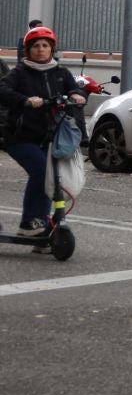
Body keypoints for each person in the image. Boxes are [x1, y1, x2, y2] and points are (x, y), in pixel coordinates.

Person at [2, 25, 87, 243]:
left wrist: (77, 95)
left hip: (50, 136)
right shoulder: (19, 73)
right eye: (36, 46)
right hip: (20, 137)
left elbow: (73, 88)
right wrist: (25, 100)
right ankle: (29, 221)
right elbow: (3, 90)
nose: (41, 50)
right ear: (28, 50)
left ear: (52, 49)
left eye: (45, 46)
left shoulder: (60, 72)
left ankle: (43, 223)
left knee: (52, 177)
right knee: (41, 172)